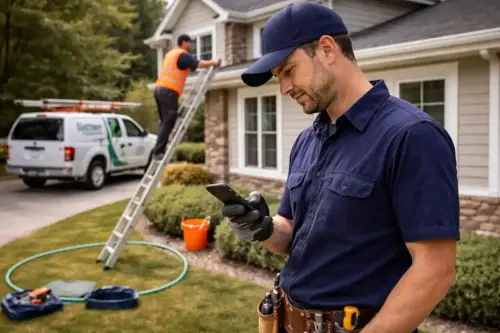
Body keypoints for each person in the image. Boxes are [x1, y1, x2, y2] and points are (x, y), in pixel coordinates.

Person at [220, 3, 460, 333]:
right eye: (279, 77)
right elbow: (292, 235)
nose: (284, 88)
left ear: (327, 49)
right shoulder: (307, 141)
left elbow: (436, 269)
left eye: (289, 70)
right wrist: (261, 227)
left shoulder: (412, 136)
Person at [152, 34, 220, 160]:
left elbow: (189, 67)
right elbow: (197, 64)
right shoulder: (181, 54)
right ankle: (158, 152)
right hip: (168, 91)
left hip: (159, 90)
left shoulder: (171, 54)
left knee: (165, 122)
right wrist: (213, 62)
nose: (191, 45)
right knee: (169, 121)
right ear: (184, 42)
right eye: (190, 43)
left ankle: (158, 150)